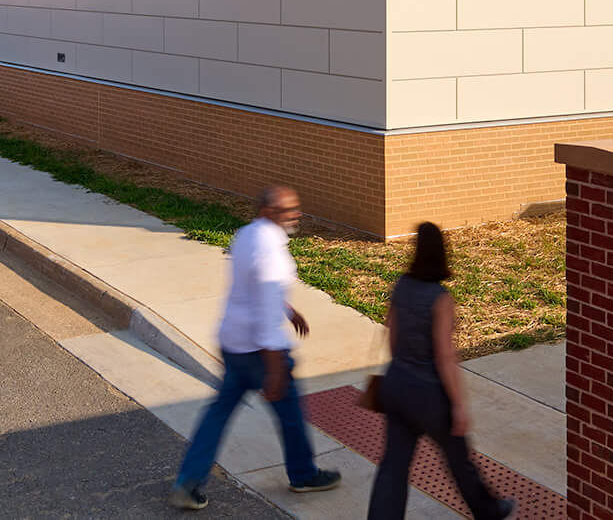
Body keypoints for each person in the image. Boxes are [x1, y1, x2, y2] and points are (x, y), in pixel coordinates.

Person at [173, 185, 342, 510]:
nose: (296, 215)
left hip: (233, 343)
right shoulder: (273, 253)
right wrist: (276, 370)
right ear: (268, 212)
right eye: (288, 210)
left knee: (218, 414)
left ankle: (188, 482)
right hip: (261, 353)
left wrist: (288, 310)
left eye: (296, 208)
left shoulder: (248, 234)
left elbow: (255, 289)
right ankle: (303, 474)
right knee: (290, 413)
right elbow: (265, 316)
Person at [367, 223, 516, 520]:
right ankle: (489, 512)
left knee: (393, 466)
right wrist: (459, 405)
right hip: (429, 395)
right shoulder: (440, 298)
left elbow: (392, 337)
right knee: (459, 461)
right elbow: (444, 356)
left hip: (397, 385)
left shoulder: (401, 286)